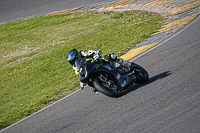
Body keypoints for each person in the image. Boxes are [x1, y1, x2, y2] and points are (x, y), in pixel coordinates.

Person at [66, 49, 132, 92]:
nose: (74, 62)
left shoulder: (83, 52)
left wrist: (96, 54)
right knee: (93, 89)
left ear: (78, 55)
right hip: (90, 70)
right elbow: (79, 73)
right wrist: (82, 81)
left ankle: (126, 64)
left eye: (75, 59)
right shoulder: (75, 67)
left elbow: (93, 52)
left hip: (97, 62)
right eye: (72, 61)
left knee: (110, 57)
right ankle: (107, 86)